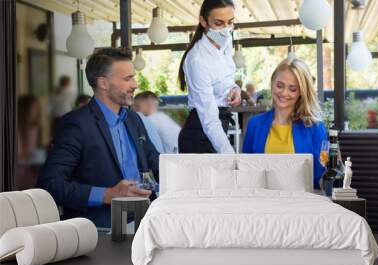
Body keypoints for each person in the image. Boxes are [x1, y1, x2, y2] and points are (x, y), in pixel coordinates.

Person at [37, 48, 159, 228]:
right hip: (102, 229)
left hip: (146, 219)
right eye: (127, 79)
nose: (135, 84)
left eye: (133, 77)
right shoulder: (76, 124)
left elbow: (154, 162)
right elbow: (50, 184)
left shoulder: (133, 119)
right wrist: (108, 194)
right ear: (103, 83)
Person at [243, 57, 327, 188]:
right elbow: (246, 173)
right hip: (261, 203)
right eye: (279, 86)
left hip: (301, 203)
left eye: (292, 89)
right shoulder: (254, 124)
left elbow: (321, 174)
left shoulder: (315, 127)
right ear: (272, 83)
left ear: (301, 92)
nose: (284, 93)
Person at [178, 0, 241, 154]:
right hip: (199, 135)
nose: (226, 29)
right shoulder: (197, 59)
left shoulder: (224, 41)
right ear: (203, 21)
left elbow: (226, 76)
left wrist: (235, 88)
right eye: (219, 23)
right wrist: (230, 155)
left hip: (219, 128)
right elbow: (209, 119)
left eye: (230, 22)